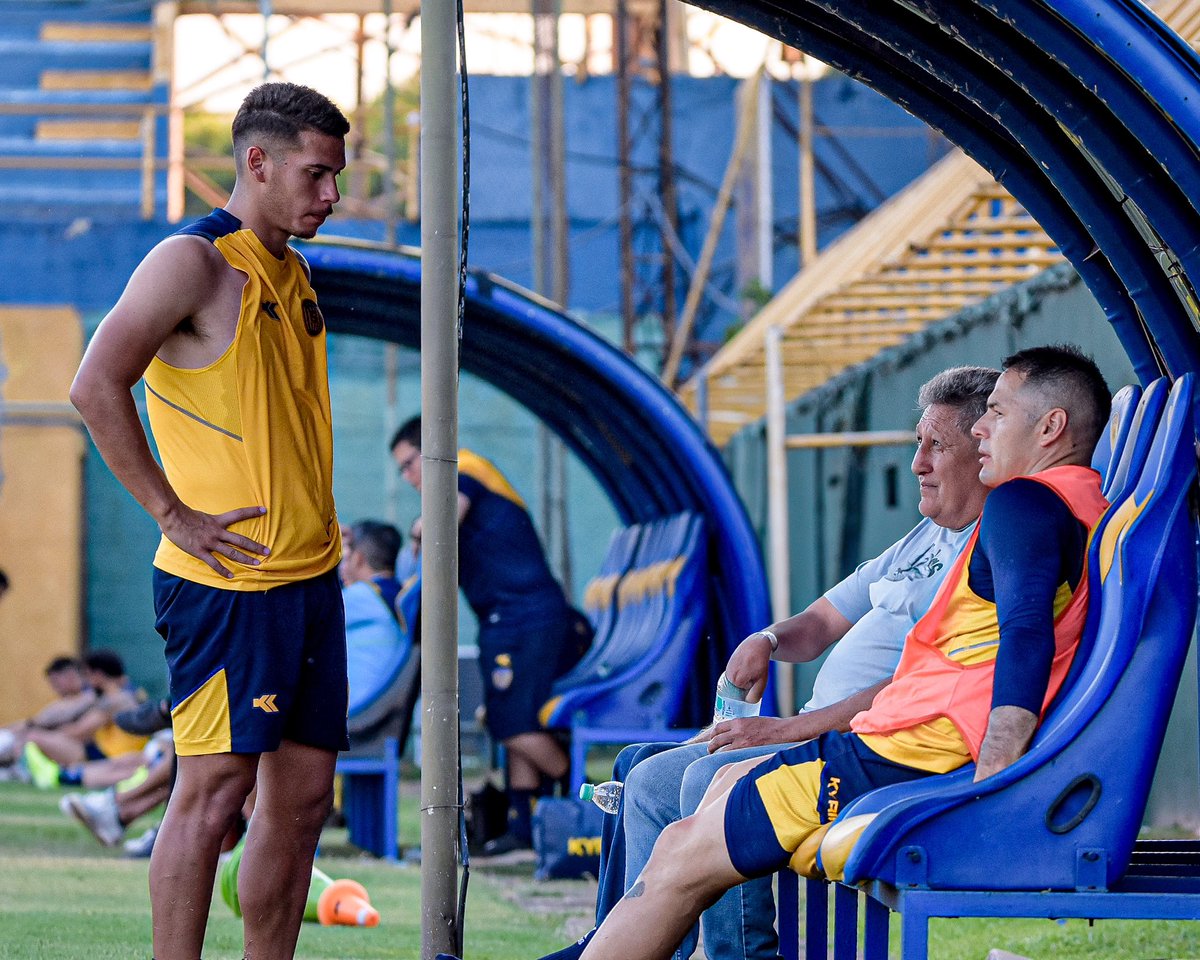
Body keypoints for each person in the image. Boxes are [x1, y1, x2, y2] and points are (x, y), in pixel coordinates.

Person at [569, 344, 1112, 960]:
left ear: (1051, 426)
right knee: (699, 803)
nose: (984, 427)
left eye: (997, 413)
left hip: (903, 756)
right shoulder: (1060, 506)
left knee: (680, 857)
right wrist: (769, 641)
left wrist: (992, 787)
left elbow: (1026, 635)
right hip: (889, 746)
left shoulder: (1024, 503)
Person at [69, 82, 350, 960]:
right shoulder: (190, 261)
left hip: (310, 580)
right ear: (257, 163)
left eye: (337, 176)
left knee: (301, 802)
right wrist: (172, 514)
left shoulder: (293, 271)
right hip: (229, 583)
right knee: (213, 794)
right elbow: (94, 385)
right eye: (316, 174)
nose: (333, 194)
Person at [391, 417, 576, 854]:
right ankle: (523, 828)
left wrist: (419, 529)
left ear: (430, 450)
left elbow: (443, 519)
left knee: (511, 722)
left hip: (529, 618)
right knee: (511, 717)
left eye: (409, 464)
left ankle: (587, 796)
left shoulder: (465, 466)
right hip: (503, 621)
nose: (408, 477)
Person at [6, 650, 148, 788]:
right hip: (107, 753)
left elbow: (79, 731)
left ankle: (43, 773)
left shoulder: (115, 699)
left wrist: (47, 733)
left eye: (87, 674)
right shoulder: (120, 694)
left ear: (98, 675)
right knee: (33, 735)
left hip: (109, 756)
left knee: (33, 737)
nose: (85, 680)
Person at [339, 519, 412, 717]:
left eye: (346, 556)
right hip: (386, 710)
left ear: (358, 559)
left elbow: (306, 613)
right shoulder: (400, 594)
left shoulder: (362, 597)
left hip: (359, 714)